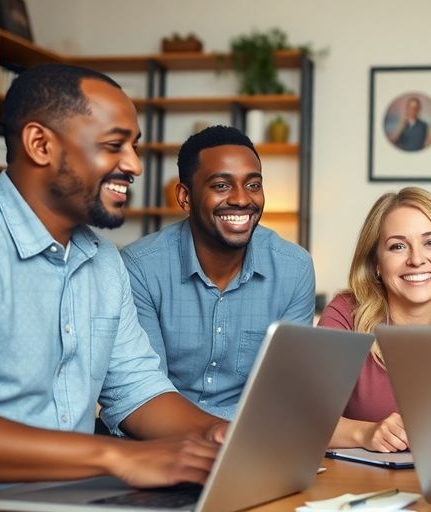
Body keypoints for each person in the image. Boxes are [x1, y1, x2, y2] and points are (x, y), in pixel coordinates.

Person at [0, 64, 229, 504]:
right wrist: (117, 457)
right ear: (40, 144)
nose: (134, 165)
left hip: (80, 501)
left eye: (134, 147)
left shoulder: (105, 261)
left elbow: (138, 390)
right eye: (114, 146)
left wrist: (219, 434)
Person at [121, 125, 315, 420]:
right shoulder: (141, 267)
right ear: (185, 197)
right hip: (161, 441)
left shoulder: (294, 268)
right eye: (221, 185)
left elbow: (286, 392)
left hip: (253, 442)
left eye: (253, 185)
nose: (241, 199)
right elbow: (144, 392)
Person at [319, 187, 431, 452]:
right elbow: (301, 421)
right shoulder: (345, 316)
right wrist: (365, 433)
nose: (416, 259)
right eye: (397, 246)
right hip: (364, 484)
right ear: (376, 263)